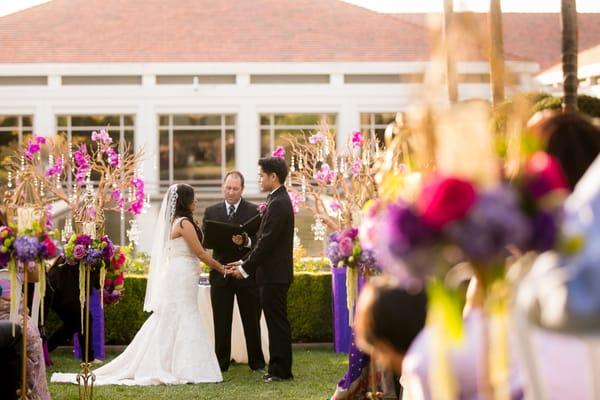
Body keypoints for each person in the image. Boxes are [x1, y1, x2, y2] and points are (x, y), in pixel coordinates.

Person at [52, 184, 224, 385]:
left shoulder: (180, 222)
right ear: (185, 201)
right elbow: (200, 252)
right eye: (193, 198)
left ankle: (180, 364)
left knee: (180, 314)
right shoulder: (184, 223)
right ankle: (184, 367)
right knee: (184, 313)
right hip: (182, 274)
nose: (196, 201)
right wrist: (221, 268)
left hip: (184, 273)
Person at [228, 156, 295, 382]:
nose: (259, 178)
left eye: (261, 175)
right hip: (271, 273)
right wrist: (243, 261)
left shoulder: (279, 203)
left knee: (277, 324)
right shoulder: (277, 200)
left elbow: (267, 243)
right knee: (276, 322)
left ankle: (281, 371)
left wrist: (245, 268)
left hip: (274, 274)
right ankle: (278, 368)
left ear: (273, 177)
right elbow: (261, 241)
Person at [202, 171, 265, 372]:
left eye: (235, 188)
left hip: (246, 274)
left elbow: (260, 243)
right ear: (223, 187)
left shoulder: (255, 211)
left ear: (242, 189)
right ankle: (221, 363)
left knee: (251, 321)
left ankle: (256, 363)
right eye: (228, 187)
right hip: (220, 274)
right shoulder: (211, 212)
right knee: (221, 322)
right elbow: (206, 241)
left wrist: (245, 241)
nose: (230, 192)